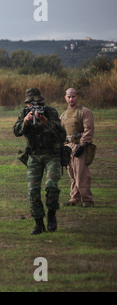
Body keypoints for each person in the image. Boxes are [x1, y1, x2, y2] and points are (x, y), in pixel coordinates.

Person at [13, 88, 66, 235]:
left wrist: (45, 121)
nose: (33, 106)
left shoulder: (51, 112)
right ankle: (38, 222)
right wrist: (25, 121)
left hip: (51, 155)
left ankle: (51, 215)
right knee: (33, 191)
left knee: (51, 186)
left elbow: (61, 134)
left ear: (42, 102)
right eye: (30, 103)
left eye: (36, 103)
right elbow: (16, 131)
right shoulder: (24, 113)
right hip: (34, 156)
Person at [60, 88, 95, 207]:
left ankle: (87, 199)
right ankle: (75, 197)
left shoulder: (84, 111)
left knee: (81, 174)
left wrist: (83, 144)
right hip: (67, 147)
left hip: (79, 146)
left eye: (73, 96)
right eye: (69, 97)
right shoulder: (63, 115)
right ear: (65, 98)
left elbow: (89, 129)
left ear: (77, 97)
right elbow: (61, 132)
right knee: (72, 174)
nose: (71, 99)